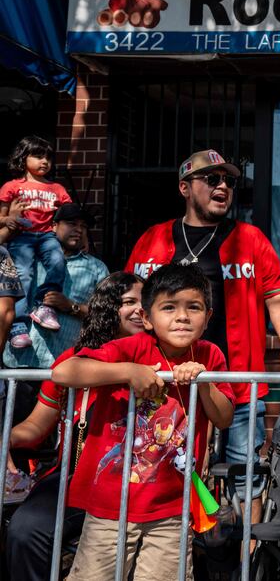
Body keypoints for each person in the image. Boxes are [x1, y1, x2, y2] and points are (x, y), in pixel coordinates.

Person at [125, 149, 280, 527]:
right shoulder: (153, 239)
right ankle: (182, 546)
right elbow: (131, 301)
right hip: (167, 384)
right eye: (212, 179)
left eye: (228, 181)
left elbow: (275, 297)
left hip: (236, 382)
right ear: (185, 188)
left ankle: (247, 550)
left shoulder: (250, 238)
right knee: (166, 469)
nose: (222, 186)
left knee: (246, 474)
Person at [52, 264, 235, 581]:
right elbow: (63, 372)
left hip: (172, 506)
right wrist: (128, 371)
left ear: (208, 317)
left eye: (193, 307)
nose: (182, 317)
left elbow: (224, 417)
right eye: (169, 307)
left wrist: (203, 382)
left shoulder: (210, 354)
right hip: (112, 501)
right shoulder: (132, 347)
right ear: (147, 318)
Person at [5, 272, 144, 581]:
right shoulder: (73, 362)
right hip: (77, 475)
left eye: (145, 302)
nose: (139, 309)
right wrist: (5, 439)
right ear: (109, 308)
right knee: (25, 531)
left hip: (143, 483)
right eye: (129, 302)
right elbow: (36, 426)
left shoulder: (163, 359)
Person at [4, 203, 109, 368]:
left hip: (62, 366)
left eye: (83, 226)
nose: (79, 230)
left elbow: (107, 315)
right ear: (53, 226)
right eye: (72, 224)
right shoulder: (26, 260)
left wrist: (71, 306)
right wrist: (9, 222)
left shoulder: (97, 268)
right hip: (16, 363)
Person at [0, 136, 72, 348]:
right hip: (22, 235)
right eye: (38, 156)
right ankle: (18, 326)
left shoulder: (57, 188)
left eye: (48, 158)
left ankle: (44, 306)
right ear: (23, 158)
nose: (45, 161)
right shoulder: (12, 186)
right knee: (23, 273)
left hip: (47, 235)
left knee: (58, 261)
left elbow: (69, 215)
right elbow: (1, 216)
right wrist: (9, 219)